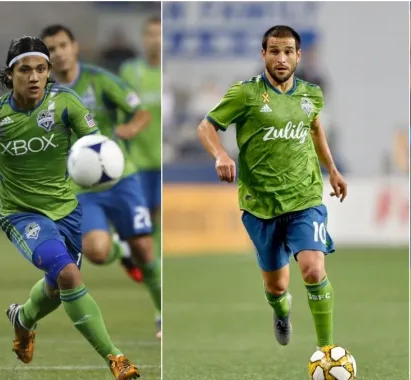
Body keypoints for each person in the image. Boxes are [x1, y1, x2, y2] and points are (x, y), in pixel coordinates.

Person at [0, 36, 140, 380]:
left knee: (55, 286)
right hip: (22, 215)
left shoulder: (65, 102)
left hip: (67, 211)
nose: (34, 77)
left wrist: (100, 157)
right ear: (10, 75)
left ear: (49, 72)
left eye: (41, 69)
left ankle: (22, 319)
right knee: (68, 275)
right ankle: (116, 357)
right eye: (25, 70)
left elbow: (91, 142)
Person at [196, 25, 348, 350]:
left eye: (288, 52)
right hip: (260, 204)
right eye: (275, 51)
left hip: (305, 198)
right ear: (263, 54)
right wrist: (220, 154)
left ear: (298, 56)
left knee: (312, 268)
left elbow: (316, 129)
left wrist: (332, 170)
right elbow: (206, 126)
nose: (281, 58)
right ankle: (281, 311)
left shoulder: (312, 94)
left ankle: (327, 352)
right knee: (277, 286)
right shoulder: (245, 94)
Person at [40, 24, 161, 339]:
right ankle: (119, 250)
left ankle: (162, 312)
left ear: (74, 47)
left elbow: (140, 112)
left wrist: (131, 129)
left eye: (63, 45)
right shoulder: (46, 95)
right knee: (95, 252)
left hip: (121, 176)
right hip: (81, 186)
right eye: (51, 49)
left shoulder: (99, 80)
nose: (58, 52)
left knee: (146, 248)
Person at [119, 15, 162, 277]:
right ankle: (131, 253)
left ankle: (144, 260)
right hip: (136, 157)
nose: (155, 40)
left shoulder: (168, 74)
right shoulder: (130, 72)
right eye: (151, 34)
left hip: (162, 158)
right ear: (143, 39)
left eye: (160, 34)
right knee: (141, 214)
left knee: (154, 214)